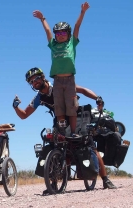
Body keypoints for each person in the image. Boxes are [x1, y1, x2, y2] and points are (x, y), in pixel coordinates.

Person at [13, 67, 117, 190]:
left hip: (77, 118)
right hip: (60, 122)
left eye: (36, 78)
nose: (35, 82)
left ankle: (106, 179)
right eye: (31, 82)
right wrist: (15, 107)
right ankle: (54, 183)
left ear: (43, 77)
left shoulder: (58, 86)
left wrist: (97, 98)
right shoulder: (39, 98)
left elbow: (82, 90)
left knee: (90, 146)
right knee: (56, 146)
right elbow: (24, 115)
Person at [32, 2, 90, 138]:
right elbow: (47, 31)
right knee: (59, 108)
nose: (61, 35)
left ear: (68, 34)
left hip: (70, 80)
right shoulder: (53, 45)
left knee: (72, 107)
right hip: (57, 80)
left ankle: (74, 133)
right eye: (58, 33)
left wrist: (82, 12)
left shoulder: (72, 43)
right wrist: (43, 18)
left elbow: (77, 26)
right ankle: (63, 132)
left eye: (64, 32)